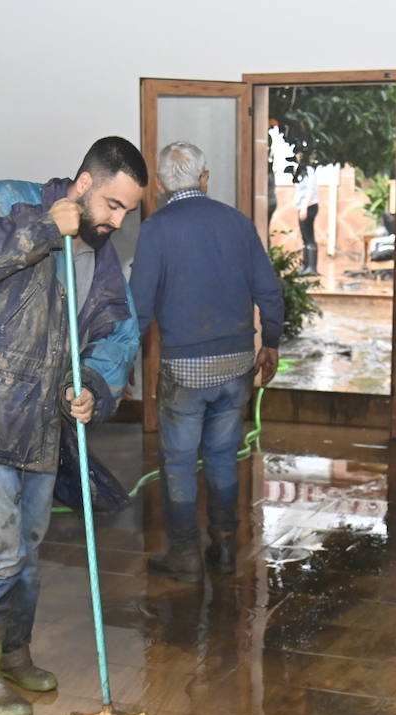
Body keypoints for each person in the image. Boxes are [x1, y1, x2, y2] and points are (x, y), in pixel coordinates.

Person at [0, 137, 145, 715]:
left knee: (26, 549)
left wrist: (93, 387)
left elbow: (118, 333)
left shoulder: (100, 256)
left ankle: (14, 652)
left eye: (127, 212)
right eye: (113, 206)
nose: (117, 221)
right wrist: (46, 228)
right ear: (84, 183)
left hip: (41, 422)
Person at [130, 141, 283, 582]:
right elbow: (268, 291)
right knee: (222, 454)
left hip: (184, 369)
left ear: (158, 185)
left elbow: (139, 309)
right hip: (236, 365)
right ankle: (225, 545)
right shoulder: (238, 223)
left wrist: (121, 365)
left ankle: (184, 553)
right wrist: (269, 342)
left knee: (178, 460)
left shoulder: (156, 230)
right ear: (205, 178)